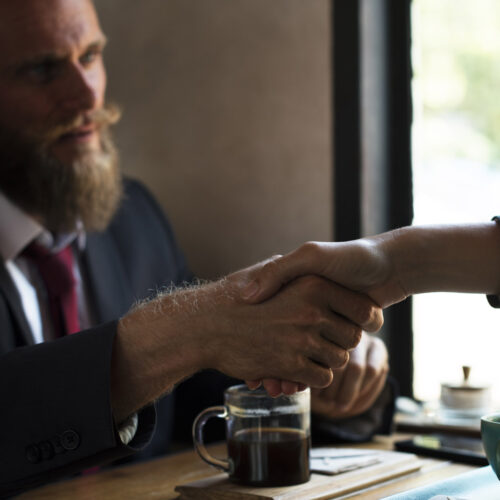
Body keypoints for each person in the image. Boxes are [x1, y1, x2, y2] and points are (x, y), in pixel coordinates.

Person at [0, 0, 391, 496]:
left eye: (91, 56)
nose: (86, 94)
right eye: (41, 69)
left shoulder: (131, 216)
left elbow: (197, 394)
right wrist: (176, 333)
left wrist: (314, 373)